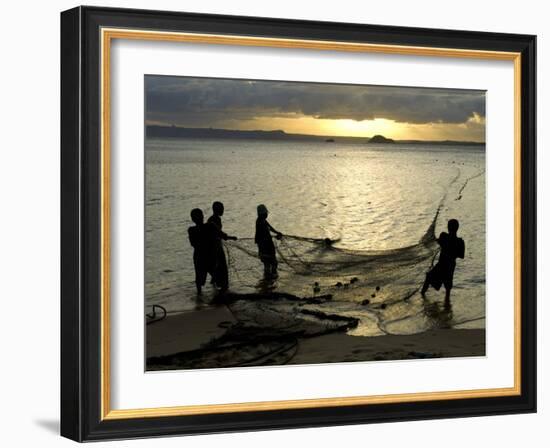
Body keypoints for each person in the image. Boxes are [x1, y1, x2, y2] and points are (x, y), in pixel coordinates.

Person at [421, 218, 465, 301]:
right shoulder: (460, 242)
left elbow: (436, 242)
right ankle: (447, 307)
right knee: (448, 288)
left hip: (442, 265)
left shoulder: (444, 236)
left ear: (448, 228)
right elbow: (461, 256)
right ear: (457, 228)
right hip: (450, 266)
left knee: (429, 278)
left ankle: (422, 298)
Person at [207, 201, 237, 291]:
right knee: (221, 266)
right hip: (215, 247)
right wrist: (231, 237)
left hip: (216, 245)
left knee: (218, 267)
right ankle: (221, 286)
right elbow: (218, 234)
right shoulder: (213, 220)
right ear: (216, 210)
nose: (223, 210)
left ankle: (215, 287)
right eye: (221, 208)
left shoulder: (215, 219)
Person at [187, 208, 216, 295]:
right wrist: (229, 237)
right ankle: (216, 290)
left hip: (199, 255)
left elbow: (193, 243)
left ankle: (199, 295)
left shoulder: (191, 230)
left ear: (192, 219)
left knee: (199, 276)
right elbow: (221, 234)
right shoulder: (210, 226)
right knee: (213, 273)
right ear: (203, 216)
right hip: (208, 254)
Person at [255, 204, 283, 279]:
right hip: (265, 246)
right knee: (272, 263)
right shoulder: (260, 222)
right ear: (262, 214)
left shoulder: (262, 220)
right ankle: (271, 279)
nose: (266, 214)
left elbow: (270, 228)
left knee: (268, 263)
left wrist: (277, 232)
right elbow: (265, 235)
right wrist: (276, 236)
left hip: (265, 245)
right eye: (265, 213)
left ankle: (268, 282)